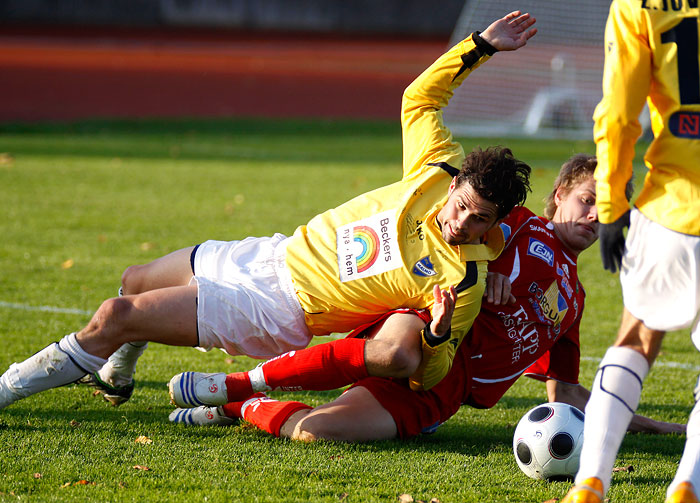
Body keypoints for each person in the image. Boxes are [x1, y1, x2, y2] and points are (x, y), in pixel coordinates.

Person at [0, 12, 535, 411]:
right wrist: (480, 45)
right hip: (272, 252)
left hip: (278, 310)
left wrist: (438, 334)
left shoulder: (464, 277)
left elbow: (429, 375)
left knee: (116, 316)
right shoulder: (434, 170)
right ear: (456, 182)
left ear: (496, 222)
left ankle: (7, 389)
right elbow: (418, 100)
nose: (462, 221)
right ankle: (115, 371)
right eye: (462, 206)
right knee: (133, 281)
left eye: (480, 219)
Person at [167, 155, 683, 441]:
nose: (595, 215)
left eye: (609, 208)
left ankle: (239, 406)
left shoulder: (574, 302)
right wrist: (490, 272)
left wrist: (665, 427)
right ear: (559, 196)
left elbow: (566, 397)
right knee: (398, 349)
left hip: (443, 390)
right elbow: (459, 227)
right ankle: (229, 382)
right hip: (420, 326)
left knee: (317, 433)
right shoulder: (514, 225)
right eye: (588, 200)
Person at [558, 2, 700, 503]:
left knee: (636, 339)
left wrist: (612, 203)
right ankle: (689, 485)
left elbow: (618, 114)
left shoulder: (639, 5)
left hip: (671, 208)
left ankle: (591, 481)